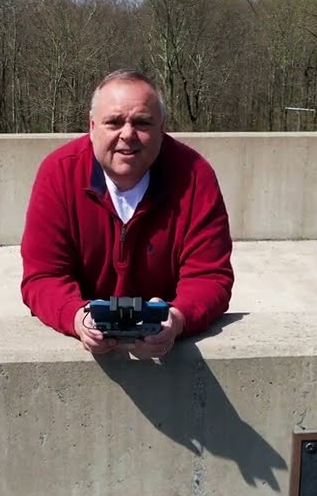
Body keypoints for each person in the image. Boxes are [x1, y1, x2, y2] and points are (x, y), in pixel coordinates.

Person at [20, 69, 234, 358]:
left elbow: (210, 276)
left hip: (170, 363)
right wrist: (76, 317)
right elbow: (43, 276)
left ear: (162, 127)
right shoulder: (58, 174)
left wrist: (178, 318)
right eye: (114, 122)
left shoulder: (195, 176)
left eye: (143, 122)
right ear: (92, 126)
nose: (128, 135)